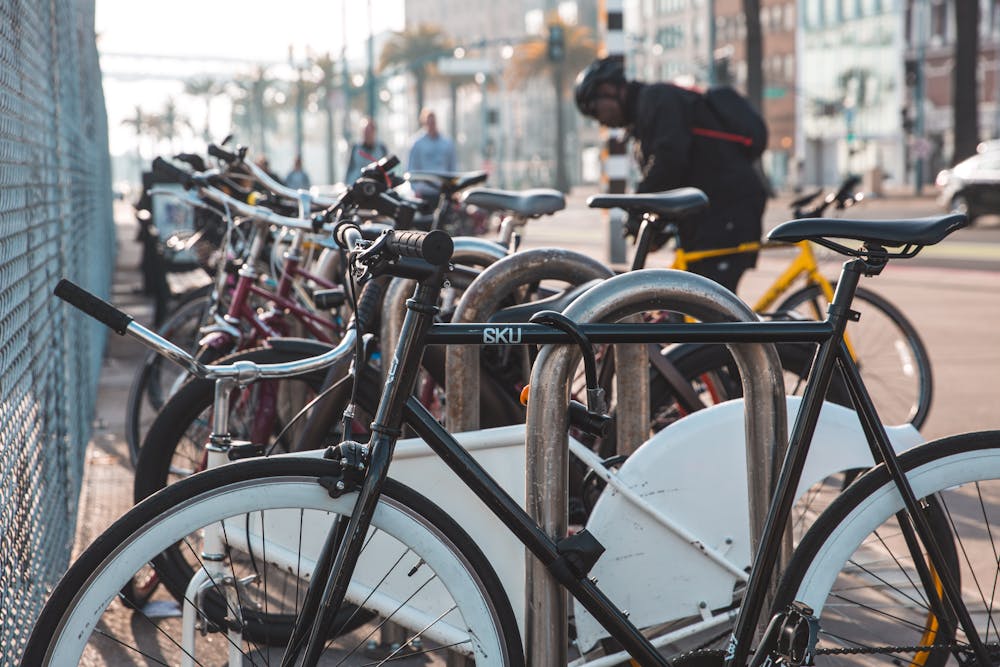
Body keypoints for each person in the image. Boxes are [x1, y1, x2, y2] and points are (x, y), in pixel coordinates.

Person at [574, 58, 768, 293]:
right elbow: (675, 177)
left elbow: (669, 162)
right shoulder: (644, 116)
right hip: (710, 216)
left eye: (595, 109)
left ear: (609, 90)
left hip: (730, 211)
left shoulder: (657, 100)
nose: (600, 120)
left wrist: (637, 210)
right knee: (690, 302)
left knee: (712, 309)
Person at [407, 109, 457, 201]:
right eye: (428, 122)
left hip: (443, 191)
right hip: (424, 192)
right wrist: (415, 189)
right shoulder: (417, 143)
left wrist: (454, 188)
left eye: (433, 122)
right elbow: (412, 168)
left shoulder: (447, 143)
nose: (431, 125)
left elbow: (452, 167)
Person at [345, 117, 389, 184]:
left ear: (374, 132)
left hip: (377, 187)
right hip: (357, 186)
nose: (367, 134)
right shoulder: (355, 148)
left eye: (369, 131)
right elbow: (349, 170)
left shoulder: (381, 148)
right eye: (365, 131)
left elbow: (387, 171)